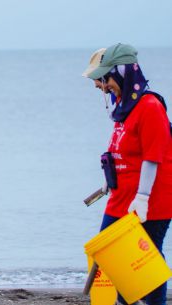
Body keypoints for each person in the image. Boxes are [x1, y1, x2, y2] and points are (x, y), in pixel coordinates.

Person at [84, 43, 172, 305]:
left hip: (152, 200)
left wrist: (143, 197)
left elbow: (152, 156)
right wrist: (108, 182)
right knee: (113, 254)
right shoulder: (124, 107)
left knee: (146, 258)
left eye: (104, 78)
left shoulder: (150, 106)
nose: (101, 86)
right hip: (121, 195)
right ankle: (126, 301)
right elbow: (123, 151)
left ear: (122, 72)